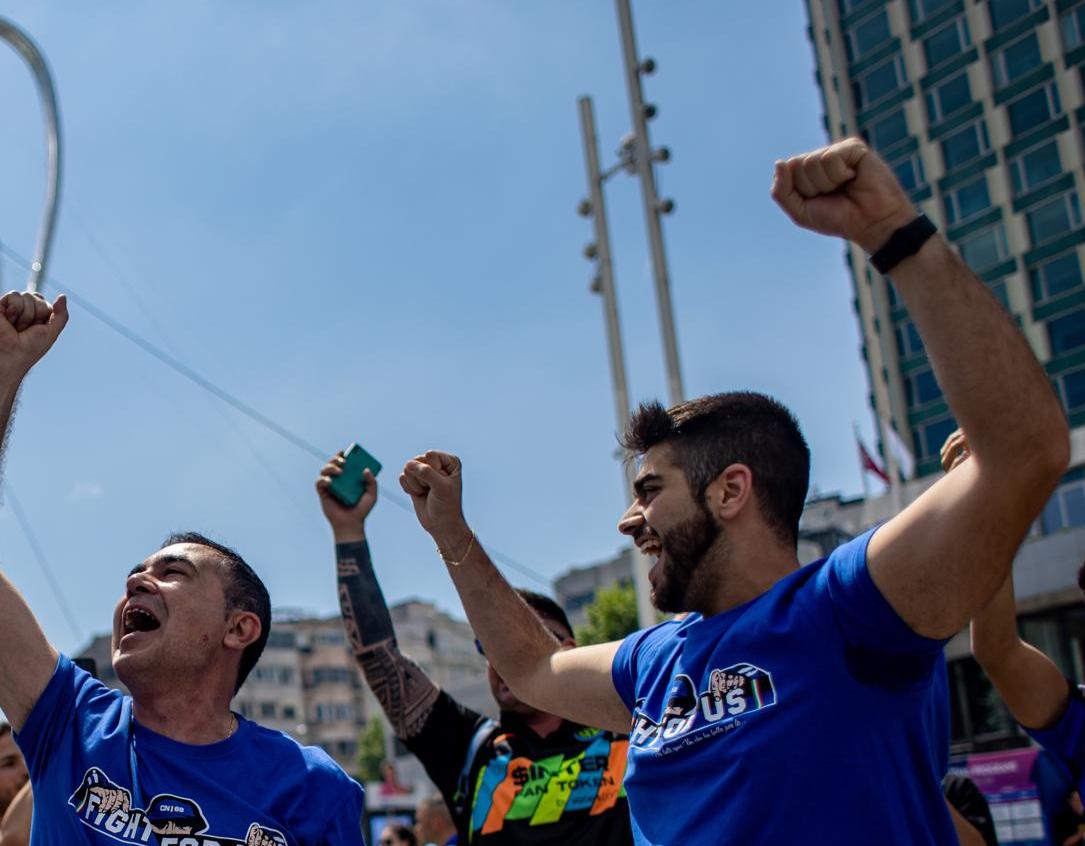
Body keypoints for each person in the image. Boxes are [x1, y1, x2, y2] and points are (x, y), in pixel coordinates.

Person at [395, 138, 1070, 844]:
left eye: (649, 490)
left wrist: (890, 232)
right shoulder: (653, 663)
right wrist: (451, 534)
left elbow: (1025, 452)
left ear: (730, 492)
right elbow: (533, 667)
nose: (628, 520)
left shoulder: (848, 608)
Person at [0, 291, 364, 846]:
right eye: (136, 573)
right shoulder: (69, 720)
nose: (136, 582)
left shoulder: (314, 787)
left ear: (238, 627)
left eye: (173, 572)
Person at [317, 453, 630, 845]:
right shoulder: (471, 750)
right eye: (491, 648)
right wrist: (348, 534)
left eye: (524, 643)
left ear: (569, 649)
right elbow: (380, 659)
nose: (504, 658)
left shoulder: (631, 728)